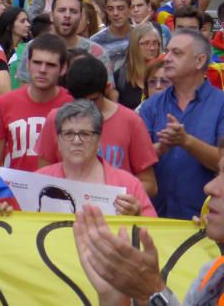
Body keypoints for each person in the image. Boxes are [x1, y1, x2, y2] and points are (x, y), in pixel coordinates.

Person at [73, 145, 224, 306]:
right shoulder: (213, 273)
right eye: (217, 173)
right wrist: (113, 298)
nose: (210, 188)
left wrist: (152, 290)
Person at [35, 55, 158, 196]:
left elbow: (149, 184)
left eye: (93, 101)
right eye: (79, 101)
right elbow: (42, 178)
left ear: (107, 88)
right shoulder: (56, 119)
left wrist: (112, 196)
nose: (86, 107)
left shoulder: (131, 121)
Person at [138, 28, 224, 219]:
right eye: (167, 51)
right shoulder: (151, 106)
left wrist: (187, 142)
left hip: (206, 223)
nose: (166, 57)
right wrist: (160, 148)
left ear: (199, 61)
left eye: (176, 53)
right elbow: (136, 162)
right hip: (156, 220)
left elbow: (222, 163)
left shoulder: (221, 105)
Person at [33, 100, 156, 216]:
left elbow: (154, 234)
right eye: (68, 134)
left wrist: (137, 217)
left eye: (85, 134)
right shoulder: (37, 181)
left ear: (99, 140)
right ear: (58, 140)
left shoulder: (128, 184)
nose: (76, 141)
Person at [0, 34, 74, 171]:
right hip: (14, 189)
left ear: (63, 68)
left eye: (50, 65)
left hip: (59, 188)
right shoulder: (4, 103)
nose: (42, 70)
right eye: (37, 63)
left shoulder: (72, 106)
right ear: (27, 64)